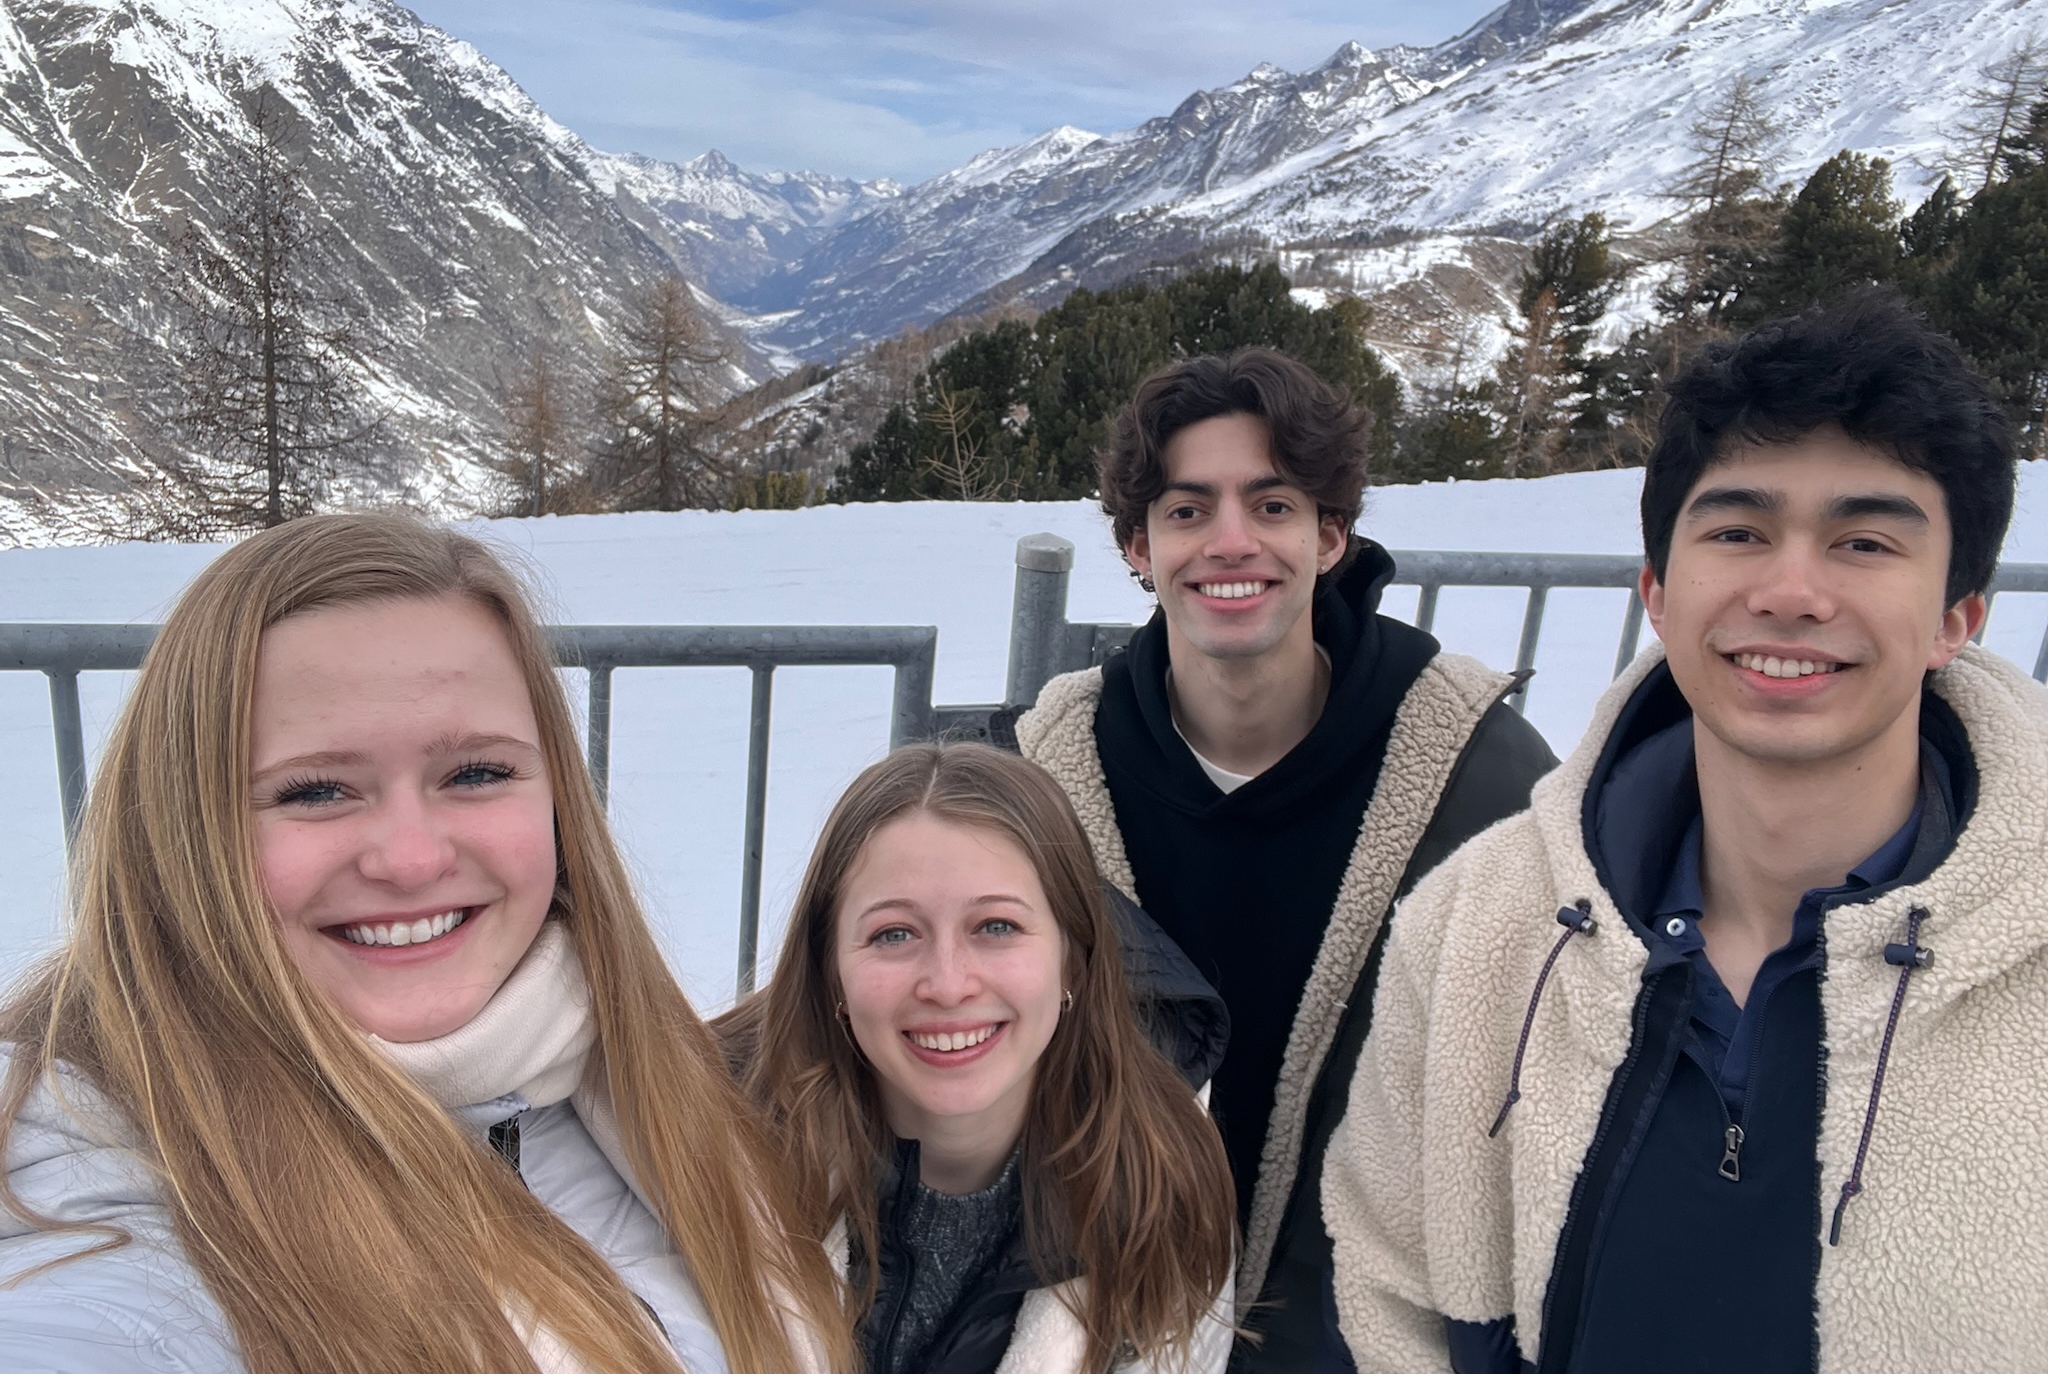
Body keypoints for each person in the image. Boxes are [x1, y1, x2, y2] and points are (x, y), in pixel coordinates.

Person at [1324, 289, 2047, 1372]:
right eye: (1738, 531)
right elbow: (1390, 1296)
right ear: (1657, 594)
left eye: (1861, 540)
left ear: (1955, 616)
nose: (1791, 591)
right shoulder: (1476, 925)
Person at [0, 514, 850, 1374]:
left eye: (476, 773)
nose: (412, 860)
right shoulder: (107, 1205)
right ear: (186, 833)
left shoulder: (631, 1079)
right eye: (317, 790)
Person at [1015, 347, 1556, 1370]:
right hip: (1108, 1320)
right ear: (1137, 545)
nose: (1229, 542)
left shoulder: (1481, 774)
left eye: (1269, 505)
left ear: (1330, 533)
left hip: (1362, 1335)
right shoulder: (1054, 771)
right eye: (1186, 511)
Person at [721, 742, 1237, 1374]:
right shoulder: (704, 1149)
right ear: (832, 977)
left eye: (996, 926)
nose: (947, 983)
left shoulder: (1162, 1169)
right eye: (894, 934)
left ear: (1072, 958)